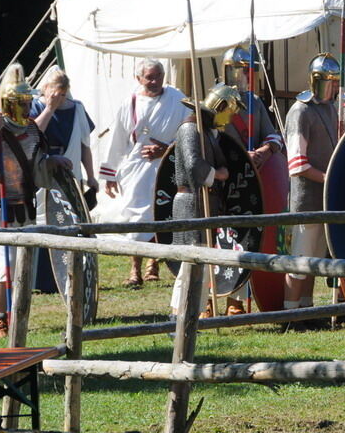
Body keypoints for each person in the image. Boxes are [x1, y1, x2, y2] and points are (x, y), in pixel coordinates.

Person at [0, 63, 71, 337]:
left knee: (3, 265)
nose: (27, 110)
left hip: (23, 207)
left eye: (29, 103)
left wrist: (53, 161)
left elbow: (36, 169)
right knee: (5, 266)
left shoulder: (31, 131)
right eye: (22, 104)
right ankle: (3, 320)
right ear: (8, 103)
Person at [97, 58, 189, 287]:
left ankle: (153, 263)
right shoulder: (129, 103)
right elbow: (118, 137)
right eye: (149, 77)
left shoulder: (177, 99)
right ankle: (135, 268)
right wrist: (109, 174)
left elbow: (189, 131)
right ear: (138, 78)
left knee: (161, 211)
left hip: (167, 165)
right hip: (136, 168)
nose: (155, 81)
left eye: (159, 76)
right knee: (135, 215)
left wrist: (166, 150)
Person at [219, 44, 286, 314]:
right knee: (221, 240)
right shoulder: (216, 99)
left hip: (250, 182)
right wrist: (237, 154)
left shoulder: (255, 102)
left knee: (246, 239)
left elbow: (273, 135)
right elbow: (211, 141)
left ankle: (237, 299)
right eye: (238, 70)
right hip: (223, 181)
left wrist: (263, 151)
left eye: (246, 71)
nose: (242, 76)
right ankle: (214, 299)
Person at [168, 83, 245, 317]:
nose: (230, 119)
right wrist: (217, 174)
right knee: (190, 264)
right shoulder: (191, 128)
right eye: (229, 112)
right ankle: (178, 315)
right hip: (191, 202)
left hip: (202, 202)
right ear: (220, 107)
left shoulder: (207, 132)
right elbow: (192, 165)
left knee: (200, 263)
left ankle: (193, 315)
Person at [283, 53, 340, 324]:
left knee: (315, 260)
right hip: (306, 198)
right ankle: (291, 312)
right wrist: (330, 179)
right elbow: (297, 164)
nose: (335, 87)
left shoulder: (330, 108)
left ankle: (308, 310)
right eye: (331, 82)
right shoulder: (300, 111)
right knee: (300, 262)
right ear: (318, 80)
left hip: (324, 198)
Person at [30, 65, 98, 193]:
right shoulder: (35, 106)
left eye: (62, 94)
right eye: (55, 93)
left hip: (70, 171)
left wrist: (91, 177)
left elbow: (84, 146)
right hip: (43, 173)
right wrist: (49, 109)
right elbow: (32, 136)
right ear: (45, 88)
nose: (59, 99)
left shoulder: (77, 109)